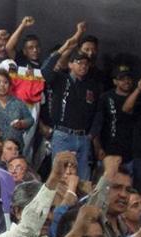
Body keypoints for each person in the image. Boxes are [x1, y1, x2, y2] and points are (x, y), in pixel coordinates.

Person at [41, 49, 100, 181]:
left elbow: (98, 112)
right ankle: (58, 201)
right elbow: (45, 72)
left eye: (86, 63)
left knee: (83, 177)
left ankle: (81, 202)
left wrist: (92, 133)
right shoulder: (61, 79)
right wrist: (64, 48)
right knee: (60, 175)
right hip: (63, 135)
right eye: (79, 62)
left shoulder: (92, 85)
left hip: (83, 136)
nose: (83, 66)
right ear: (70, 64)